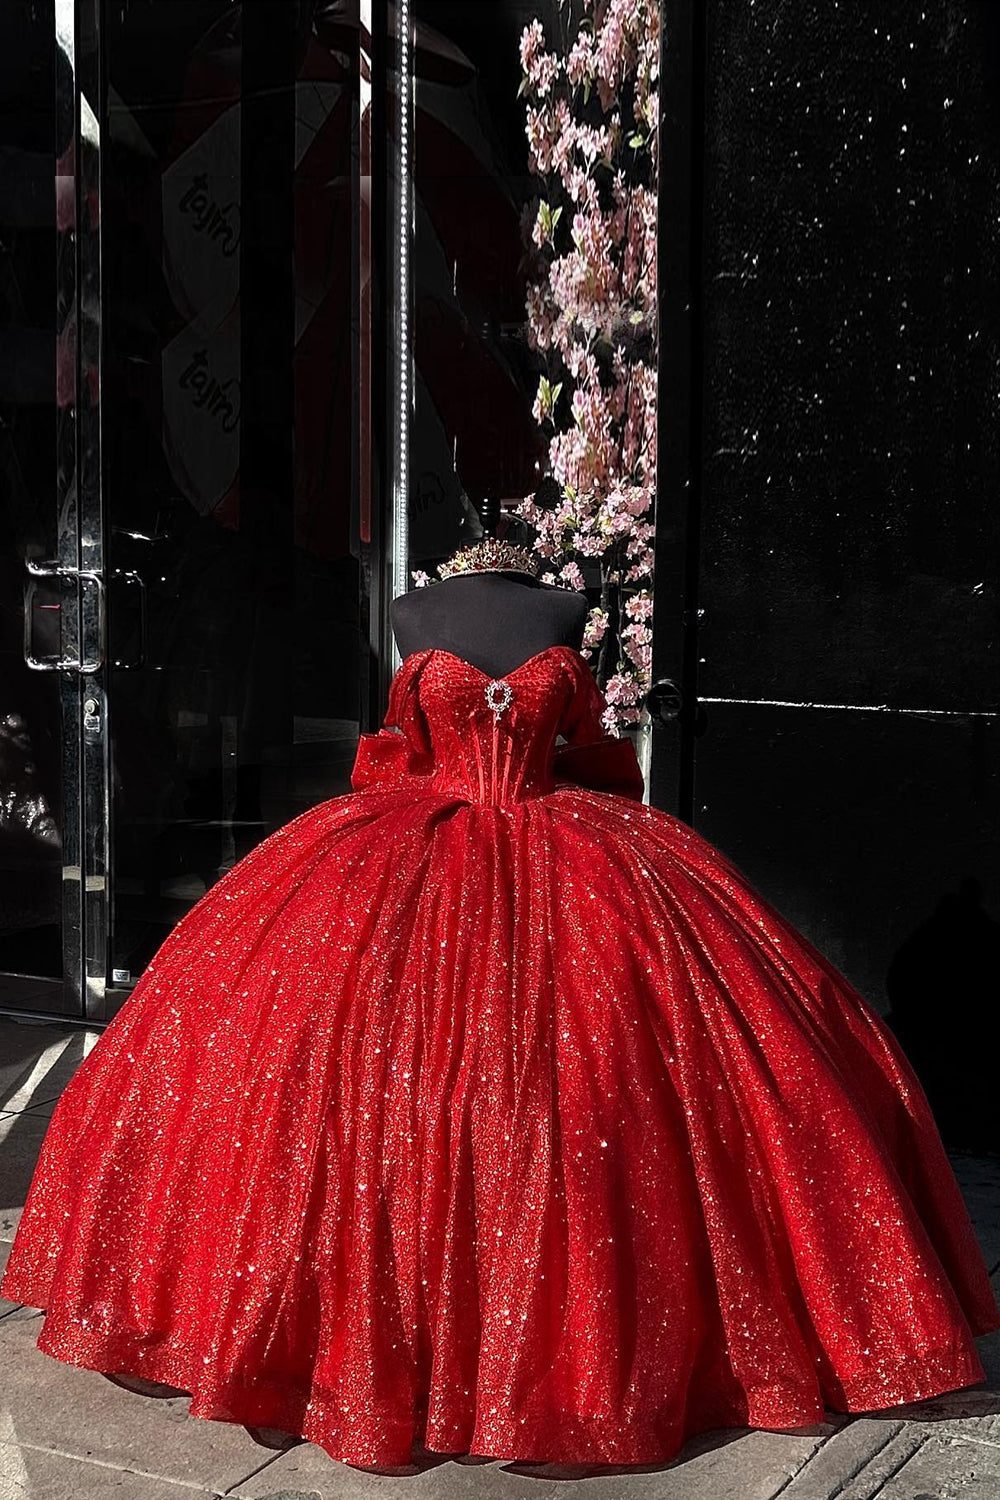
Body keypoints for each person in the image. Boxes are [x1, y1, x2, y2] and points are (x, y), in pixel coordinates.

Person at [2, 536, 997, 1471]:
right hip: (411, 844)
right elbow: (399, 753)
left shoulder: (561, 608)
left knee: (603, 1090)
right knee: (331, 1074)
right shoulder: (412, 608)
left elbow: (589, 752)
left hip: (566, 848)